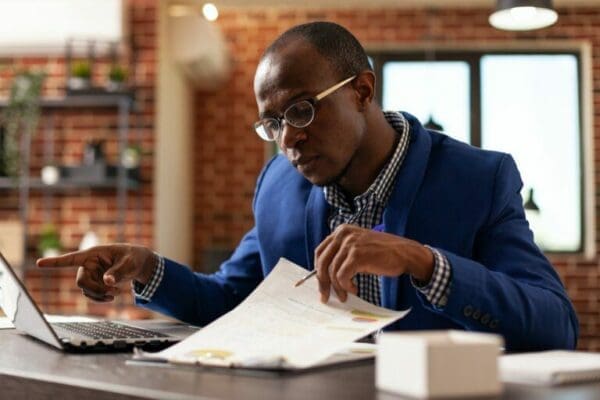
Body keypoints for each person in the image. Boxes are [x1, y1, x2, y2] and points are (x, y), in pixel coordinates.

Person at [37, 21, 578, 352]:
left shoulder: (477, 179)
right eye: (272, 124)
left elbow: (556, 326)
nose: (288, 140)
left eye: (301, 110)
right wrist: (148, 267)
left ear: (363, 90)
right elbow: (231, 299)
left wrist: (422, 262)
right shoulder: (278, 188)